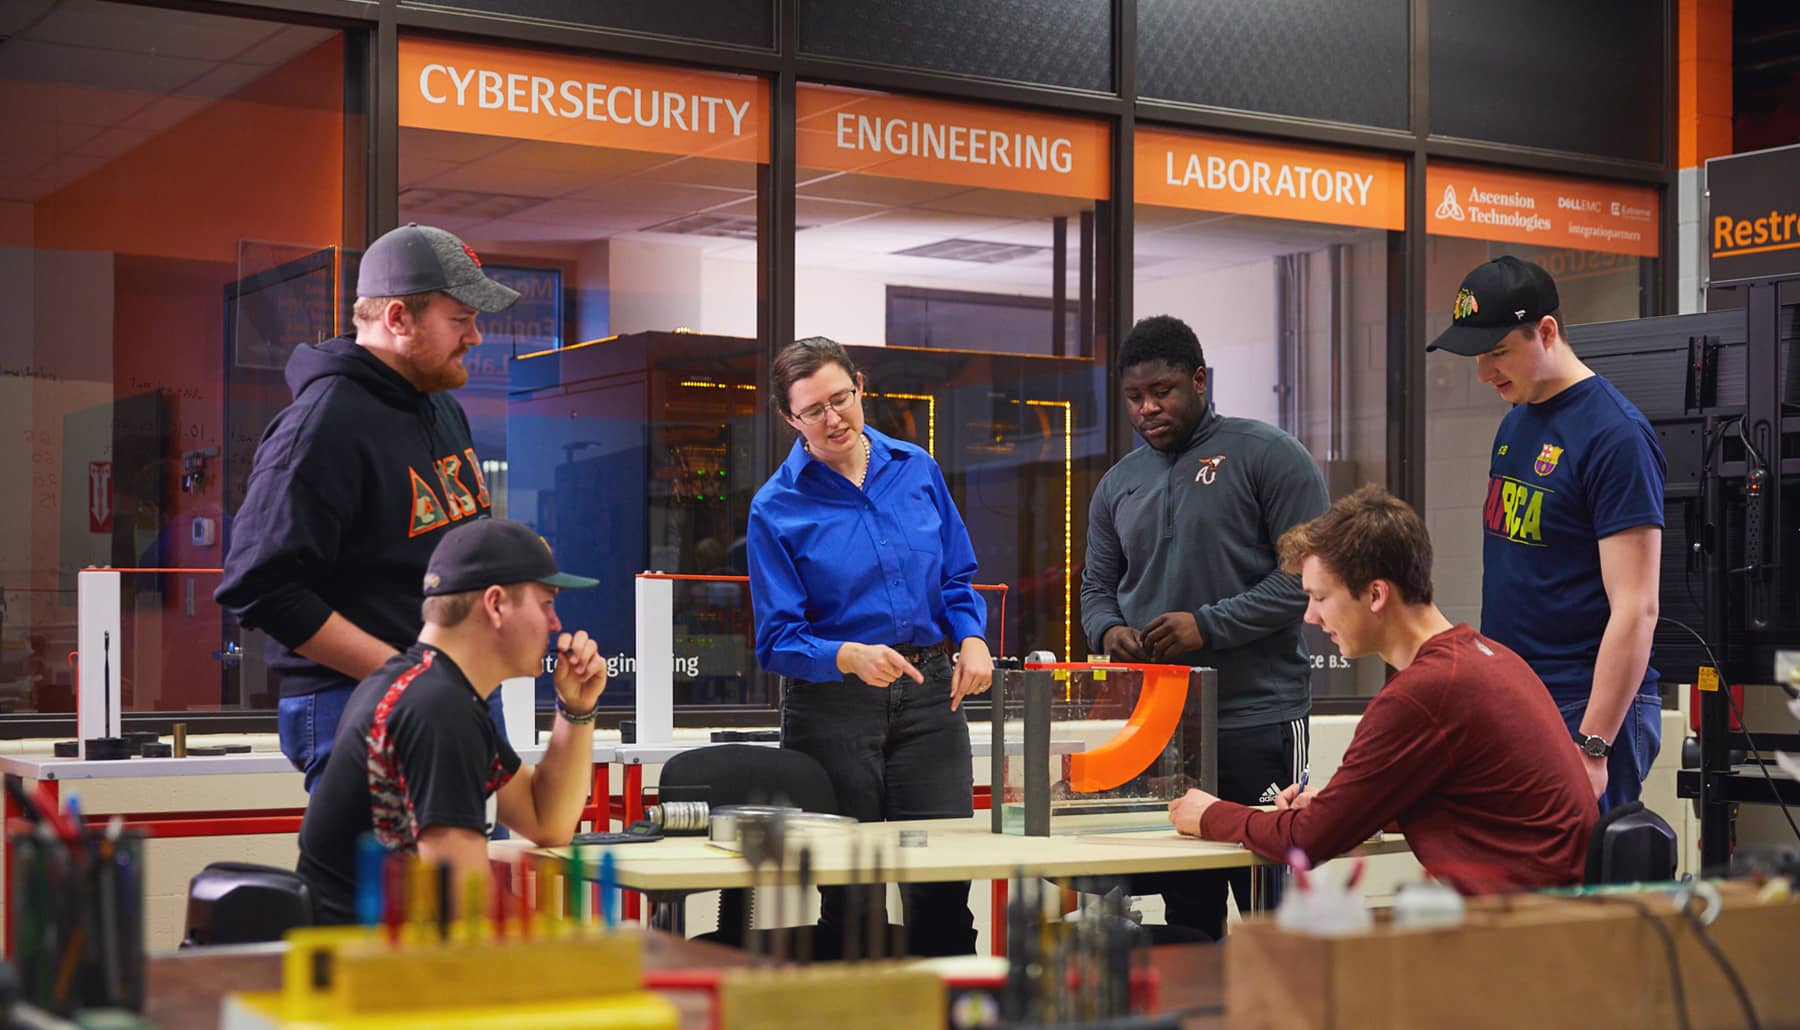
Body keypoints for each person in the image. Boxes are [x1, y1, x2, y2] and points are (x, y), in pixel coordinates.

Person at [1168, 486, 1597, 894]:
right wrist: (1344, 807)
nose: (1310, 618)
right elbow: (1480, 806)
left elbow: (1310, 841)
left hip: (1521, 936)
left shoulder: (1424, 693)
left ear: (1375, 594)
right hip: (1555, 918)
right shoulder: (1489, 659)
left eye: (1320, 598)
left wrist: (1210, 814)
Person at [216, 223, 520, 790]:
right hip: (357, 700)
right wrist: (406, 676)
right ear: (398, 318)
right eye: (461, 320)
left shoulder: (439, 407)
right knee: (403, 883)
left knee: (475, 878)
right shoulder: (322, 424)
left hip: (450, 690)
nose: (476, 337)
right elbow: (260, 587)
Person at [1081, 314, 1328, 940]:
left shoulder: (1268, 455)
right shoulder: (1118, 484)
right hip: (1161, 728)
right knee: (1188, 907)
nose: (1147, 409)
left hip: (1259, 718)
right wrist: (1109, 632)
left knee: (1272, 909)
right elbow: (1095, 590)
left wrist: (1207, 627)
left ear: (1199, 380)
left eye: (1162, 391)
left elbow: (1306, 580)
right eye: (1134, 397)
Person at [747, 336, 993, 957]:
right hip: (832, 708)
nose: (833, 419)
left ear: (861, 385)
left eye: (842, 398)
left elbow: (957, 578)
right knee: (851, 898)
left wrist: (972, 637)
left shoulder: (916, 468)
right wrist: (846, 655)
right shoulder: (776, 508)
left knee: (941, 891)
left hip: (931, 696)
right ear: (789, 419)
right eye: (813, 410)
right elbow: (776, 639)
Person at [1427, 256, 1665, 812]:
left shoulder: (1616, 436)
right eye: (1477, 357)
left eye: (1498, 352)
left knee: (1582, 895)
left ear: (1548, 331)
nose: (1485, 373)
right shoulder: (1516, 420)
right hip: (1519, 695)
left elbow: (1637, 609)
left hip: (1585, 707)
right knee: (1522, 892)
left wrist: (1594, 744)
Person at [296, 518, 605, 924]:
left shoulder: (428, 689)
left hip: (380, 962)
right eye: (547, 603)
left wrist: (577, 709)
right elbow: (464, 911)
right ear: (495, 605)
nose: (556, 624)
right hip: (370, 974)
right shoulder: (436, 709)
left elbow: (546, 820)